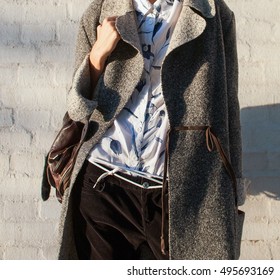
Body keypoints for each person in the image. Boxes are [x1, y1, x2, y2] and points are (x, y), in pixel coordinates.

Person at [43, 0, 246, 260]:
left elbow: (228, 109)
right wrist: (97, 56)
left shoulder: (214, 16)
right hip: (102, 184)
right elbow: (77, 110)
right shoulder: (101, 10)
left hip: (176, 193)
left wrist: (233, 190)